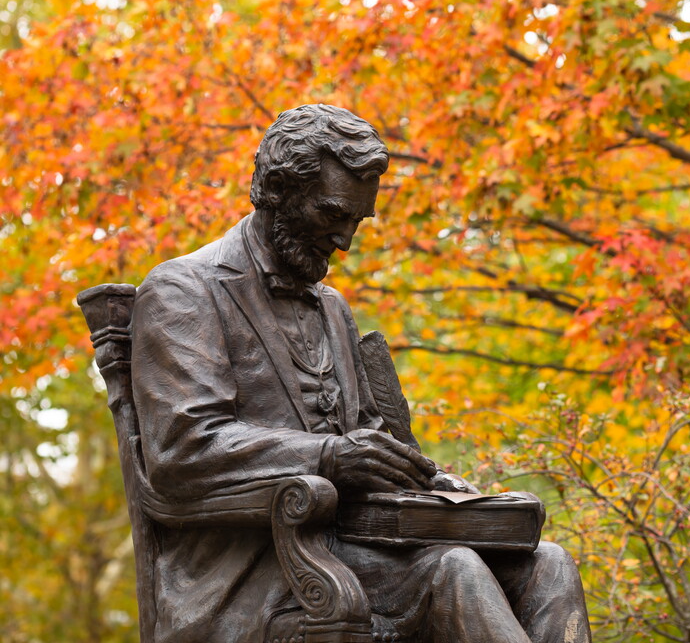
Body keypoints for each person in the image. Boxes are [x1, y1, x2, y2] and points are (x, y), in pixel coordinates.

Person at [131, 104, 591, 643]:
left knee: (550, 564)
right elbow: (183, 450)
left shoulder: (332, 308)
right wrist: (329, 456)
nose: (346, 241)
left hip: (365, 547)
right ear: (277, 191)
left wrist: (433, 485)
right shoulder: (183, 290)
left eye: (357, 220)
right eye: (332, 215)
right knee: (454, 569)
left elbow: (369, 441)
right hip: (255, 570)